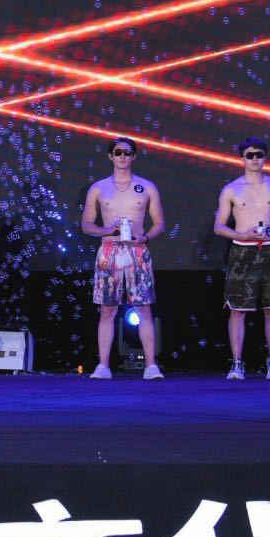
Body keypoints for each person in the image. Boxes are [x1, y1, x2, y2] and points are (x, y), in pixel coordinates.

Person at [82, 137, 165, 380]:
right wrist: (106, 230)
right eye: (117, 152)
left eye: (127, 152)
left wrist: (145, 237)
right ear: (110, 156)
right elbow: (86, 224)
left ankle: (151, 366)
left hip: (137, 251)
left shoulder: (147, 187)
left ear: (133, 156)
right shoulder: (98, 188)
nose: (122, 156)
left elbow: (159, 223)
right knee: (107, 310)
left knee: (144, 308)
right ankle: (103, 366)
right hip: (109, 251)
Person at [214, 136, 270, 381]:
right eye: (250, 155)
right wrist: (242, 235)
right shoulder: (231, 189)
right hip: (242, 252)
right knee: (237, 310)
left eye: (259, 155)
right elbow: (219, 226)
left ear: (265, 158)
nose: (255, 159)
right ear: (242, 159)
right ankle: (237, 363)